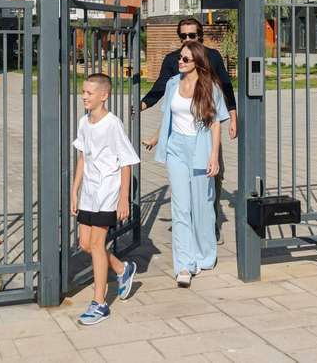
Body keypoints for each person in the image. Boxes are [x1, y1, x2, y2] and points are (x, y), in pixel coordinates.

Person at [140, 18, 236, 241]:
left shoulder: (212, 56)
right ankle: (188, 227)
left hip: (206, 130)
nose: (187, 39)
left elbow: (226, 86)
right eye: (183, 36)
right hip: (181, 136)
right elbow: (161, 86)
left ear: (200, 35)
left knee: (212, 178)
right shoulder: (174, 60)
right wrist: (142, 104)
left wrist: (233, 116)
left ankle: (210, 225)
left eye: (191, 35)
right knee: (183, 185)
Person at [142, 42, 228, 287]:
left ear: (197, 63)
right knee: (181, 207)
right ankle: (184, 265)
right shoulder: (172, 84)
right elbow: (169, 117)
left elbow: (215, 123)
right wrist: (156, 138)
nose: (180, 62)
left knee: (202, 206)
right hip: (176, 150)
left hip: (200, 148)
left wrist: (214, 156)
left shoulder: (210, 87)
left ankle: (205, 255)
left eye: (185, 59)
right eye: (180, 57)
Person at [70, 73, 140, 326]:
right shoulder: (84, 122)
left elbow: (127, 162)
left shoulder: (112, 124)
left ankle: (99, 303)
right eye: (83, 92)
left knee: (97, 245)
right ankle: (122, 269)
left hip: (107, 192)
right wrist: (74, 190)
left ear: (104, 95)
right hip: (88, 193)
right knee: (85, 244)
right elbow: (83, 158)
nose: (84, 96)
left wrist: (123, 198)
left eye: (89, 93)